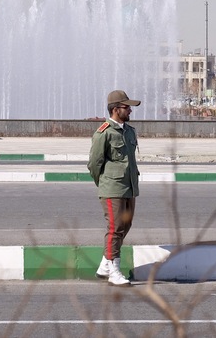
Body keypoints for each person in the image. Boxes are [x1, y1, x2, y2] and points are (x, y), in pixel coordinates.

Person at [87, 89, 141, 287]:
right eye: (127, 107)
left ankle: (105, 264)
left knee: (125, 226)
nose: (130, 111)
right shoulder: (104, 133)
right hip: (112, 188)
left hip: (129, 187)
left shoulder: (129, 131)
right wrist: (104, 184)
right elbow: (94, 164)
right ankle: (114, 271)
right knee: (115, 228)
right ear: (116, 109)